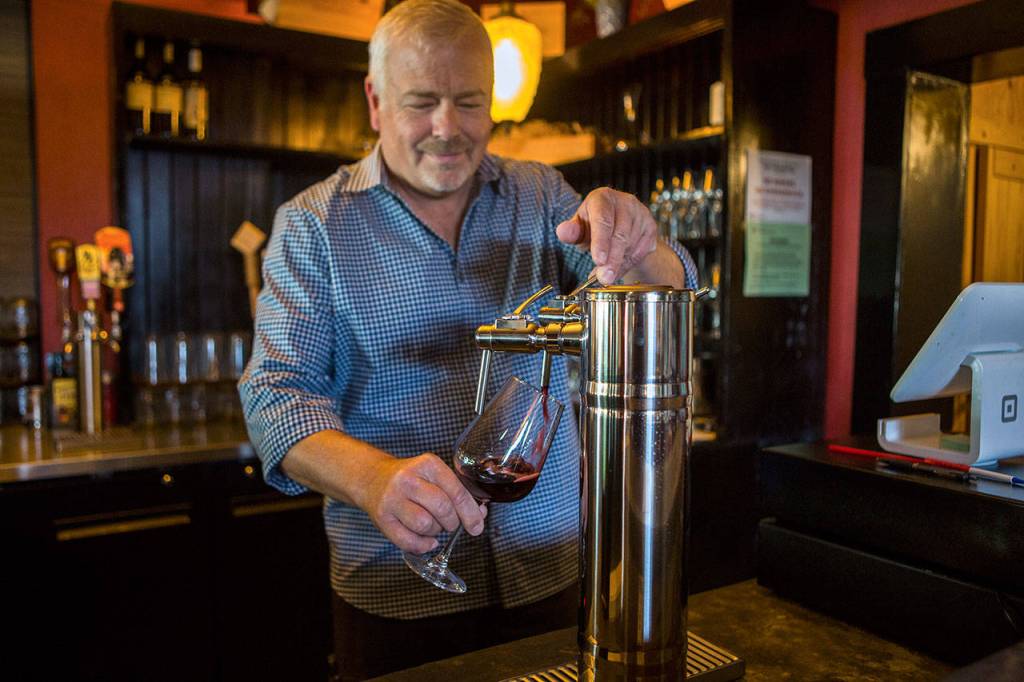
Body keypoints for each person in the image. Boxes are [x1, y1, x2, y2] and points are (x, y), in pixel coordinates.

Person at [238, 0, 698, 678]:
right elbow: (276, 399)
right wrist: (376, 481)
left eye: (469, 102)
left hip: (549, 571)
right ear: (375, 99)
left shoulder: (540, 195)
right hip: (397, 593)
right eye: (421, 102)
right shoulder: (314, 225)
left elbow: (668, 283)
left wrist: (637, 241)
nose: (447, 129)